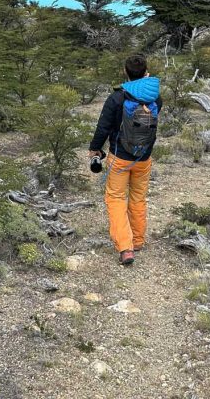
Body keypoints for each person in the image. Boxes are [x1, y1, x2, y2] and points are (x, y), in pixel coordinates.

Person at [88, 53, 162, 266]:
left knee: (116, 199)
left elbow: (103, 127)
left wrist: (95, 149)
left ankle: (125, 248)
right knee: (138, 199)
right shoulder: (155, 98)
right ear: (146, 72)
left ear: (125, 72)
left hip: (119, 158)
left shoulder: (117, 98)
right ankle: (138, 240)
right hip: (144, 157)